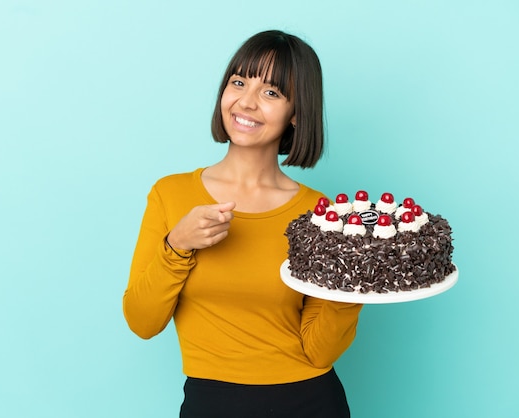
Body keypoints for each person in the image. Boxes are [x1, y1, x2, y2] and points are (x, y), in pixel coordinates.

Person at [123, 29, 363, 418]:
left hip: (310, 401)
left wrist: (349, 287)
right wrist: (177, 245)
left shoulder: (321, 212)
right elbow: (142, 321)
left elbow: (321, 351)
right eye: (238, 83)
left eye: (271, 93)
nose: (246, 102)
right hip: (210, 402)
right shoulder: (170, 194)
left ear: (297, 112)